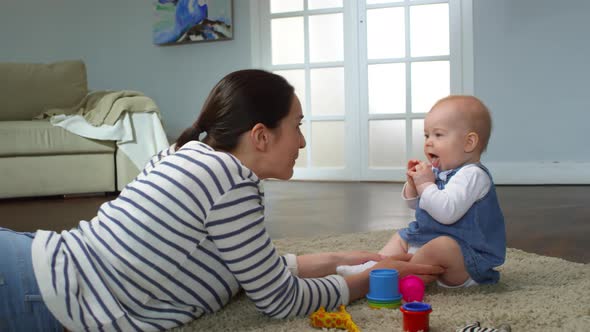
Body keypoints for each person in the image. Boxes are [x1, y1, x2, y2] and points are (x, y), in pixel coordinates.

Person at [0, 69, 444, 331]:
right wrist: (371, 278)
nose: (303, 141)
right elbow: (281, 301)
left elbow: (245, 268)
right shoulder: (228, 180)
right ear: (261, 135)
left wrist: (347, 256)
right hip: (38, 294)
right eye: (297, 125)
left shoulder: (193, 155)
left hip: (29, 264)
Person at [337, 95, 506, 288]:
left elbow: (447, 212)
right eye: (427, 135)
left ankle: (391, 277)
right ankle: (371, 269)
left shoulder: (473, 175)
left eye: (438, 135)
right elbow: (416, 205)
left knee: (442, 246)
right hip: (428, 242)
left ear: (469, 143)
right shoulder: (439, 171)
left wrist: (426, 184)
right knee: (401, 237)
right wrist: (413, 185)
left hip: (467, 261)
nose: (428, 142)